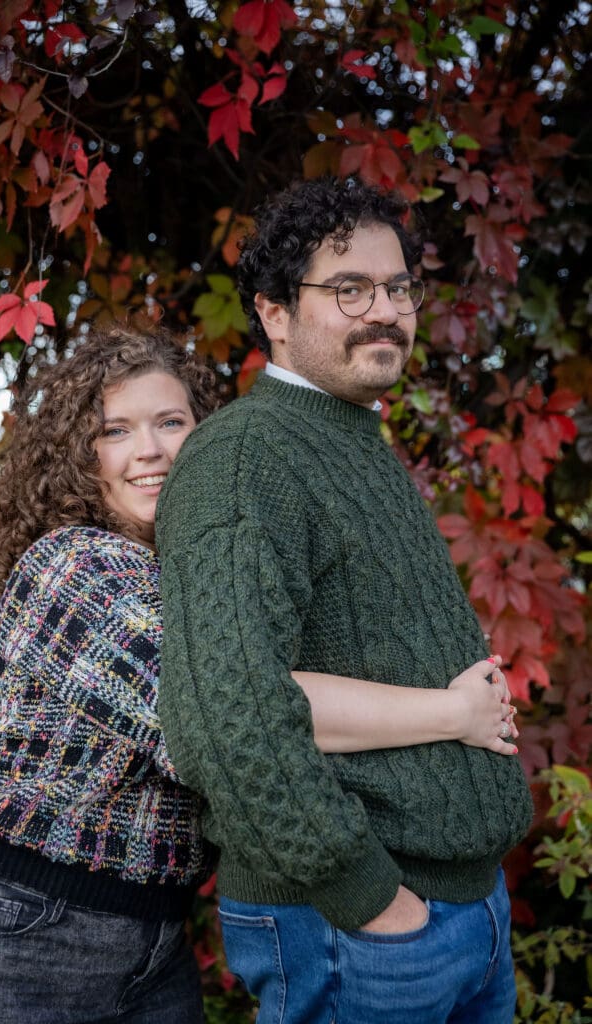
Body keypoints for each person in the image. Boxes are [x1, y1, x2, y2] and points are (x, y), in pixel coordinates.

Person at [0, 318, 515, 1024]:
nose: (152, 451)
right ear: (75, 457)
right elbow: (231, 709)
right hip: (12, 914)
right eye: (115, 431)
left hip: (151, 927)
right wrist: (452, 713)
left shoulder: (201, 573)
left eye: (173, 422)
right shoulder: (74, 568)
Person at [155, 177, 535, 1024]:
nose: (385, 310)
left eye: (398, 287)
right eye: (348, 288)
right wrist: (367, 898)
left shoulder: (351, 442)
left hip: (460, 914)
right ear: (275, 313)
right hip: (364, 930)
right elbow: (225, 713)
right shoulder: (247, 457)